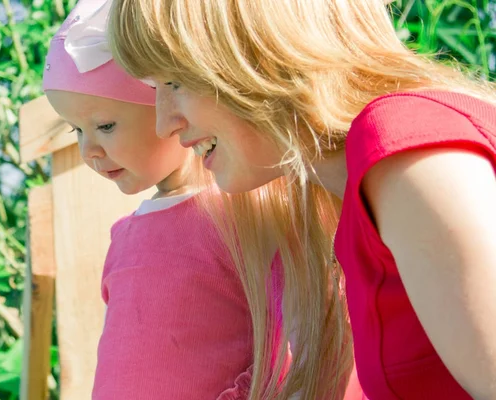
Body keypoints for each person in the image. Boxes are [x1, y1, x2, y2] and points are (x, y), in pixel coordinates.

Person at [105, 0, 496, 399]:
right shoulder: (363, 190)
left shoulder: (407, 152)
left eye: (176, 82)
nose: (164, 122)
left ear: (256, 52)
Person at [42, 1, 292, 398]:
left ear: (167, 105)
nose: (89, 149)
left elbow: (288, 342)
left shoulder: (241, 213)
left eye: (104, 125)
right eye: (76, 130)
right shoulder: (123, 235)